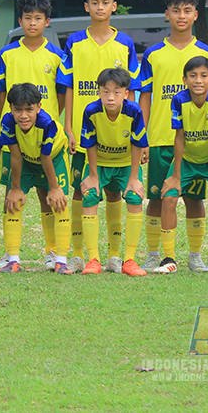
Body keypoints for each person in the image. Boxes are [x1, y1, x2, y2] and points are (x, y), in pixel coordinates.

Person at [61, 0, 140, 273]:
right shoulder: (74, 42)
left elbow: (132, 89)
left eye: (105, 2)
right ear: (86, 7)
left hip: (118, 134)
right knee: (81, 191)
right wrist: (69, 127)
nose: (100, 7)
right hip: (85, 134)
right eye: (94, 3)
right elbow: (68, 86)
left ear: (114, 6)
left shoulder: (126, 43)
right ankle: (80, 254)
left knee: (115, 193)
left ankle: (116, 255)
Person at [137, 0, 208, 272]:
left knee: (195, 199)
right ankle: (153, 253)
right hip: (161, 137)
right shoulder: (153, 54)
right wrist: (142, 136)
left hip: (197, 142)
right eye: (175, 10)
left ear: (195, 14)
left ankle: (195, 256)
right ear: (167, 14)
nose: (181, 16)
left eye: (187, 11)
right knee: (158, 198)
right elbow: (144, 95)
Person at [0, 0, 67, 271]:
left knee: (48, 197)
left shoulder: (57, 56)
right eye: (27, 18)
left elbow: (62, 95)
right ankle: (10, 253)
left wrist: (59, 124)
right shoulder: (7, 54)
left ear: (47, 22)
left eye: (38, 18)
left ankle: (52, 251)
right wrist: (3, 120)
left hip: (45, 136)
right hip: (15, 133)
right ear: (19, 20)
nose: (32, 23)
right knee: (13, 195)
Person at [156, 56, 208, 274]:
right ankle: (168, 258)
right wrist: (176, 175)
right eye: (193, 76)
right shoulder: (179, 100)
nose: (198, 80)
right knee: (169, 196)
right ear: (184, 79)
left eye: (203, 76)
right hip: (188, 160)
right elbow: (179, 137)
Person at [79, 68, 149, 276]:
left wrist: (134, 178)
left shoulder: (134, 111)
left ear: (126, 94)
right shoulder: (91, 111)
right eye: (105, 91)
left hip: (126, 163)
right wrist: (93, 176)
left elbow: (138, 143)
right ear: (98, 92)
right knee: (90, 195)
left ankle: (128, 260)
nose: (111, 97)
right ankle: (93, 260)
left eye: (117, 92)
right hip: (98, 163)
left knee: (135, 197)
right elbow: (89, 143)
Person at [0, 82, 73, 273]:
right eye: (18, 110)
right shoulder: (7, 122)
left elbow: (45, 156)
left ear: (39, 107)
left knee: (59, 202)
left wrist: (54, 188)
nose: (23, 115)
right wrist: (15, 188)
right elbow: (14, 155)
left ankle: (59, 259)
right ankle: (12, 259)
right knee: (12, 202)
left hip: (53, 159)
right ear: (10, 109)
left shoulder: (47, 123)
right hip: (25, 159)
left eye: (29, 109)